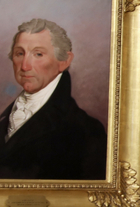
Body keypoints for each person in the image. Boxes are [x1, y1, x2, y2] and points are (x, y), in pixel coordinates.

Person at [0, 18, 106, 180]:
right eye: (20, 53)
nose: (25, 66)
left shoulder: (86, 131)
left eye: (38, 54)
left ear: (64, 61)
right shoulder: (5, 117)